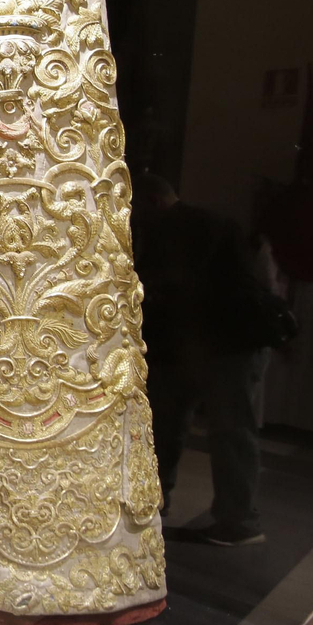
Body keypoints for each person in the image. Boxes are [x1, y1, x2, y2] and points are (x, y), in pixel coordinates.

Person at [133, 173, 270, 546]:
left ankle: (166, 508)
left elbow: (166, 286)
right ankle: (235, 518)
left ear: (150, 202)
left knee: (190, 427)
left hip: (212, 344)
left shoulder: (172, 229)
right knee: (224, 430)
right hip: (221, 343)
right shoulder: (213, 223)